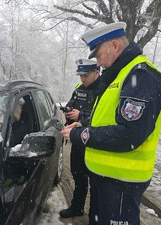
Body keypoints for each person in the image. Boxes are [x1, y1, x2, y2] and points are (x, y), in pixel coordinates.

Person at [60, 22, 161, 225]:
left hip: (122, 183)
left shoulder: (141, 76)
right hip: (107, 179)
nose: (98, 63)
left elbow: (129, 135)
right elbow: (107, 118)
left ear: (115, 46)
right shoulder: (119, 76)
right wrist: (83, 125)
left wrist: (80, 135)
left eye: (99, 55)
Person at [59, 58, 100, 218]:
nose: (82, 79)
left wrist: (81, 116)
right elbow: (72, 103)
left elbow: (102, 117)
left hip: (95, 142)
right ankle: (77, 208)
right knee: (79, 176)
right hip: (78, 141)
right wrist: (69, 111)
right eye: (80, 75)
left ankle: (95, 216)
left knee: (96, 183)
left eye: (86, 75)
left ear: (96, 72)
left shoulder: (104, 90)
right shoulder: (79, 88)